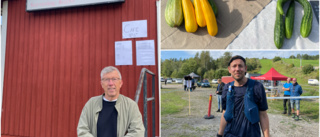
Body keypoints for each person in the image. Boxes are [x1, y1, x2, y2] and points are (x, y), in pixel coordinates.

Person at [77, 66, 145, 137]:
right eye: (106, 79)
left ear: (120, 83)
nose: (110, 83)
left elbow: (137, 132)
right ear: (101, 84)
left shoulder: (130, 105)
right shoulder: (91, 104)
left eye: (114, 79)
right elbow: (82, 130)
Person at [217, 55, 269, 137]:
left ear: (245, 68)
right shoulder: (227, 88)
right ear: (229, 70)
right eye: (234, 66)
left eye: (240, 66)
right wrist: (219, 134)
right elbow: (225, 112)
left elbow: (263, 114)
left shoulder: (257, 87)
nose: (237, 69)